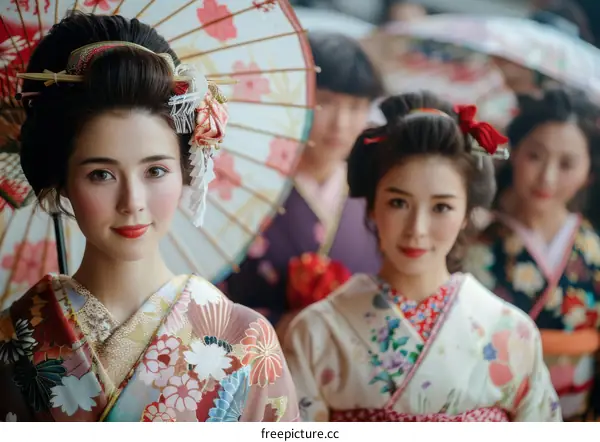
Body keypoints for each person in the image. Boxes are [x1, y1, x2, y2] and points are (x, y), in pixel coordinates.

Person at [0, 11, 298, 422]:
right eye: (100, 174)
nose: (132, 201)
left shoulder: (245, 341)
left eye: (155, 170)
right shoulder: (12, 340)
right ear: (62, 179)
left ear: (186, 169)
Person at [282, 90, 561, 422]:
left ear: (467, 214)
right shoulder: (316, 331)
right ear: (371, 207)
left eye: (441, 207)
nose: (417, 228)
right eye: (398, 203)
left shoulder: (513, 332)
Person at [222, 32, 384, 337]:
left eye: (355, 107)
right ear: (299, 100)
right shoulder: (250, 184)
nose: (341, 123)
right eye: (326, 103)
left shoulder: (372, 192)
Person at [465, 89, 600, 421]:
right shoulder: (477, 240)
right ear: (515, 152)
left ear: (589, 172)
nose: (547, 177)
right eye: (535, 156)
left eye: (567, 163)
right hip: (495, 407)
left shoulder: (592, 247)